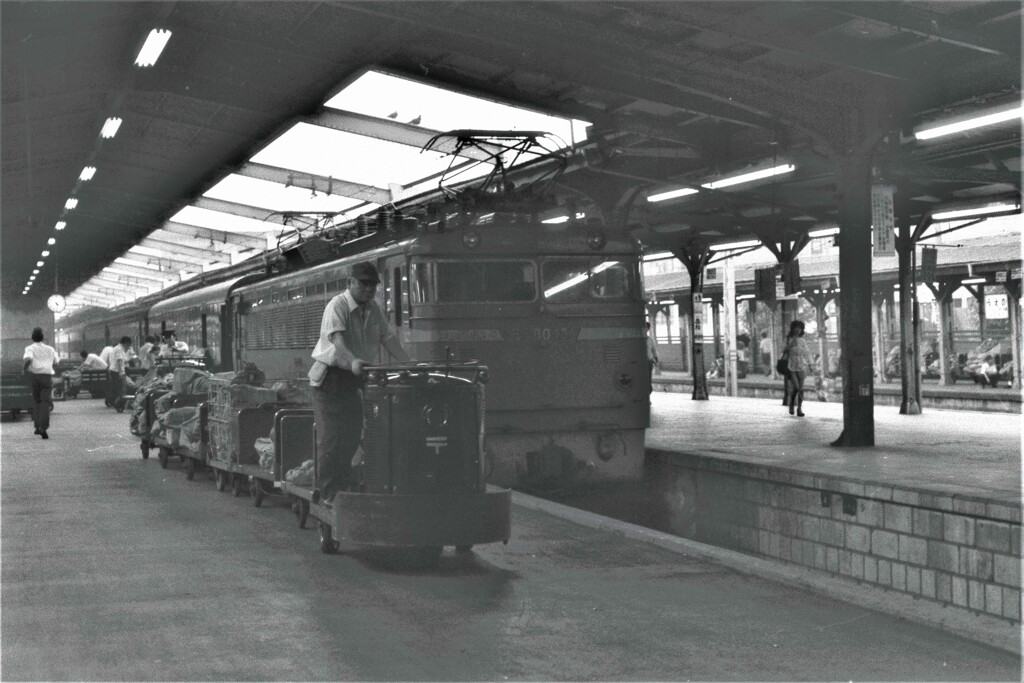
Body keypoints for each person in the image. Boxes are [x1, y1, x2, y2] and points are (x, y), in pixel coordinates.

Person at [308, 261, 411, 502]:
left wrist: (409, 362)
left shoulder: (373, 309)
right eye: (363, 284)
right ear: (350, 283)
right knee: (333, 438)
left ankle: (342, 484)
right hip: (331, 379)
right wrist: (353, 360)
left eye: (373, 285)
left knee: (353, 436)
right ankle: (328, 493)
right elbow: (337, 340)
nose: (368, 289)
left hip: (356, 378)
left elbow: (388, 338)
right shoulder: (338, 305)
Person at [23, 327, 59, 439]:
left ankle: (37, 426)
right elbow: (56, 362)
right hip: (46, 377)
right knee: (45, 402)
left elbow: (28, 359)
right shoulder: (50, 349)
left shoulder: (30, 348)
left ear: (32, 337)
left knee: (37, 401)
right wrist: (48, 365)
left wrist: (24, 369)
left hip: (34, 377)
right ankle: (43, 427)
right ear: (43, 337)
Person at [783, 320, 810, 416]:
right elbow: (784, 350)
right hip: (791, 365)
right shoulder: (788, 339)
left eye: (800, 328)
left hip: (801, 365)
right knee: (797, 387)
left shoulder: (802, 340)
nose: (798, 329)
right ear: (793, 328)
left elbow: (806, 353)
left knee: (801, 389)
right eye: (796, 327)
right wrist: (792, 342)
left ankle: (799, 408)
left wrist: (811, 364)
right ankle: (791, 404)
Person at [108, 336, 133, 407]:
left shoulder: (115, 348)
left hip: (112, 369)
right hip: (117, 371)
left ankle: (112, 401)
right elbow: (120, 361)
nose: (128, 348)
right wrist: (122, 373)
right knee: (120, 388)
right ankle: (117, 402)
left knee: (114, 387)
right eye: (128, 346)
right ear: (126, 344)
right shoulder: (119, 349)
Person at [645, 321, 660, 389]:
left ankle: (648, 391)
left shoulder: (650, 340)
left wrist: (656, 359)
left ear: (648, 329)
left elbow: (654, 350)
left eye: (646, 328)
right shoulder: (637, 340)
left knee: (648, 379)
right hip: (639, 362)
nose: (645, 329)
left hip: (648, 362)